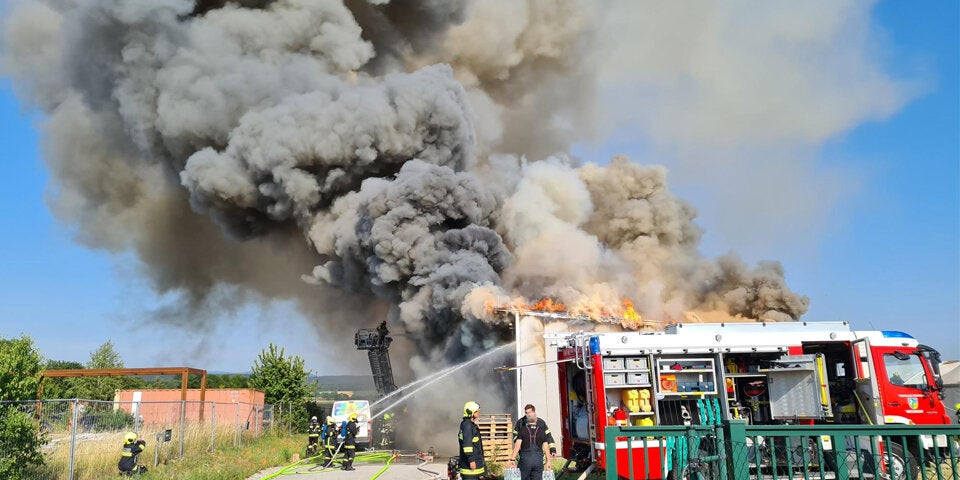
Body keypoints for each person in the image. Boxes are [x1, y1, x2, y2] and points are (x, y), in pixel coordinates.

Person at [511, 404, 557, 480]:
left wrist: (553, 449)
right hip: (524, 454)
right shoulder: (520, 422)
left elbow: (548, 436)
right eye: (526, 413)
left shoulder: (541, 422)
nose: (528, 414)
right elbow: (515, 436)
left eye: (529, 412)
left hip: (538, 456)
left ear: (534, 412)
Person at [458, 401, 486, 480]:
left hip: (472, 467)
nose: (479, 413)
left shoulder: (469, 424)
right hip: (470, 469)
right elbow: (467, 445)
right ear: (471, 412)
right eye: (477, 411)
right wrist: (471, 460)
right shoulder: (467, 425)